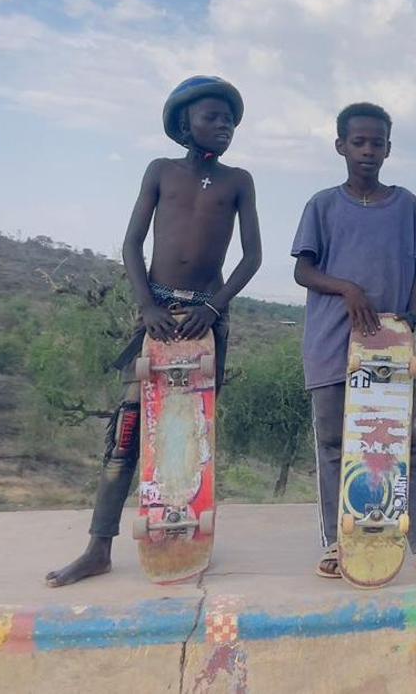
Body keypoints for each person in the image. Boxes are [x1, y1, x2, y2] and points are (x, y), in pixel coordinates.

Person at [46, 76, 262, 587]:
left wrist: (214, 304)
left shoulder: (239, 180)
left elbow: (253, 256)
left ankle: (186, 535)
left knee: (191, 428)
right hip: (157, 317)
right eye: (212, 117)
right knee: (126, 435)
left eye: (230, 118)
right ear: (185, 125)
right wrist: (145, 305)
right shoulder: (160, 171)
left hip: (207, 322)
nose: (224, 125)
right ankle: (99, 546)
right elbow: (131, 245)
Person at [292, 103, 416, 579]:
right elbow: (303, 270)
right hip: (332, 344)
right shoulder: (322, 205)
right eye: (358, 142)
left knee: (403, 444)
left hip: (389, 346)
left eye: (377, 143)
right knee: (336, 446)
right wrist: (347, 289)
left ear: (389, 148)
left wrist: (409, 321)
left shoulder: (405, 204)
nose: (367, 151)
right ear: (340, 146)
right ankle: (340, 543)